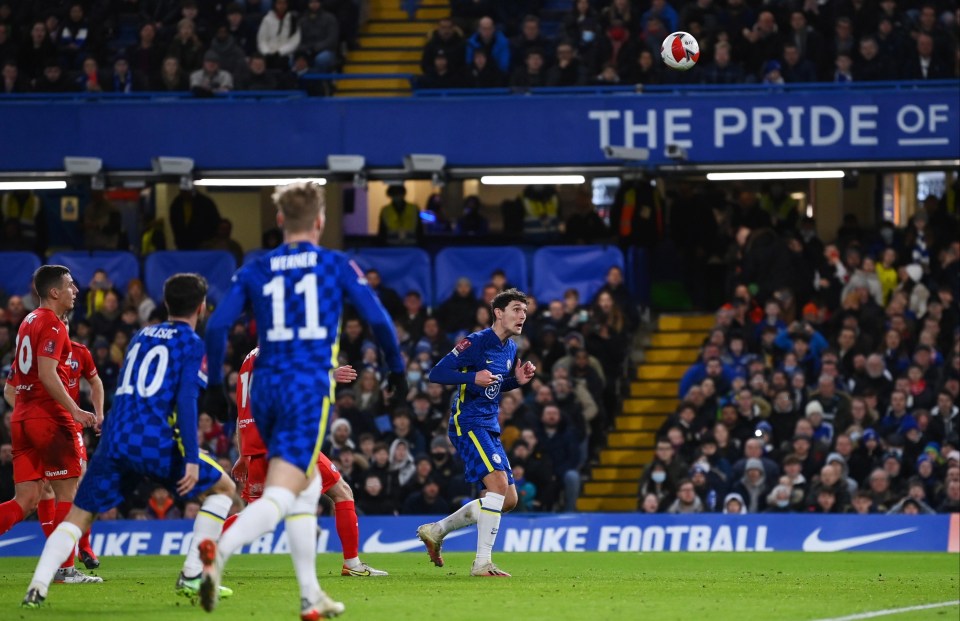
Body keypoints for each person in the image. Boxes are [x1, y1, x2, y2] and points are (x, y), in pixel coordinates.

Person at [200, 182, 406, 617]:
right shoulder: (335, 264)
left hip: (266, 389)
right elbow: (378, 319)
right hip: (305, 387)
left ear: (279, 221)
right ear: (320, 222)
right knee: (281, 497)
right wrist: (397, 370)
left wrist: (216, 387)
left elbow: (217, 326)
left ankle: (311, 596)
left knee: (310, 485)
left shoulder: (257, 267)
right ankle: (216, 552)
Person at [20, 274, 237, 607]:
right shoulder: (192, 343)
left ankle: (37, 586)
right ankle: (193, 575)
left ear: (165, 304)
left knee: (79, 515)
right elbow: (187, 403)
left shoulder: (140, 335)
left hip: (116, 438)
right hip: (152, 440)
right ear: (202, 307)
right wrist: (191, 455)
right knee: (224, 488)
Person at [225, 347, 387, 576]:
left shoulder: (249, 356)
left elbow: (242, 412)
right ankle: (352, 564)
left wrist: (243, 453)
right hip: (283, 440)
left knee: (259, 513)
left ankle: (204, 546)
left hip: (256, 442)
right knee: (341, 491)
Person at [417, 288, 537, 577]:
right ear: (499, 312)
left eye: (525, 310)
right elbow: (436, 373)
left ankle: (437, 530)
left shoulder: (509, 348)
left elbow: (492, 384)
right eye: (517, 309)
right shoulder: (476, 342)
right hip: (467, 422)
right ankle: (482, 563)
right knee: (496, 488)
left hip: (489, 424)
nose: (523, 315)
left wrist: (514, 381)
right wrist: (472, 376)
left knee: (508, 500)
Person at [0, 268, 98, 580]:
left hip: (22, 417)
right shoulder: (53, 324)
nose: (76, 291)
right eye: (70, 285)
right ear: (54, 292)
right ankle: (65, 569)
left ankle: (64, 565)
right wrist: (76, 410)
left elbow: (15, 382)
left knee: (26, 499)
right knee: (68, 493)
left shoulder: (28, 321)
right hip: (49, 418)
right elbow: (46, 373)